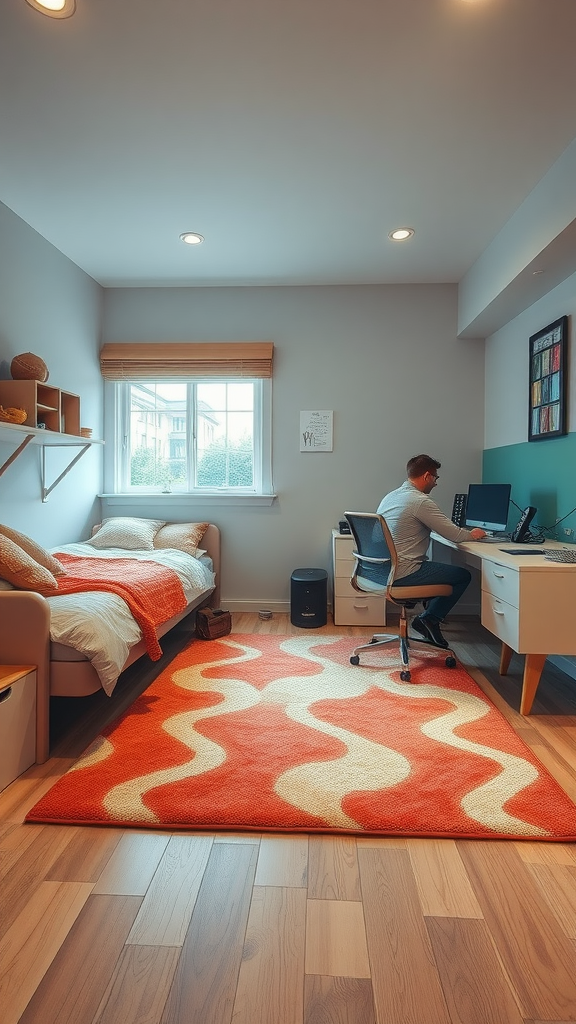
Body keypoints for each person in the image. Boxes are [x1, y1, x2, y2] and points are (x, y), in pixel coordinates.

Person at [377, 454, 486, 649]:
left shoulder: (391, 496)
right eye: (435, 478)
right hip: (403, 573)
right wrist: (475, 534)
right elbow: (456, 535)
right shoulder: (420, 501)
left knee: (438, 568)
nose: (436, 483)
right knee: (462, 576)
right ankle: (429, 619)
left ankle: (427, 618)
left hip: (381, 571)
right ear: (427, 476)